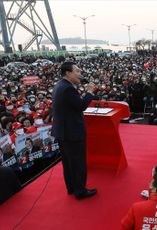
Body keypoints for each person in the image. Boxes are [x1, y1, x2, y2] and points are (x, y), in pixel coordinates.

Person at [52, 61, 97, 200]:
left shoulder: (60, 85)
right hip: (72, 133)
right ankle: (80, 191)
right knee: (78, 162)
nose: (80, 74)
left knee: (68, 162)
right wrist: (89, 92)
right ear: (68, 73)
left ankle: (72, 187)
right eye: (77, 71)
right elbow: (81, 106)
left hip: (63, 132)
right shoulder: (68, 88)